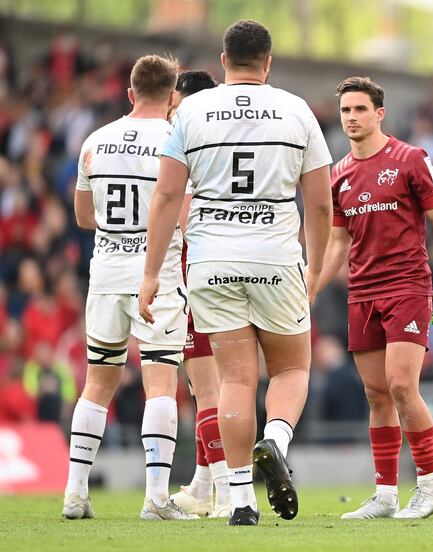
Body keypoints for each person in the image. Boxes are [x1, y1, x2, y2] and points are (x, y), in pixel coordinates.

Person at [138, 20, 333, 526]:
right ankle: (277, 438)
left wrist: (151, 274)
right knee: (291, 370)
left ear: (223, 61)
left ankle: (242, 501)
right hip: (274, 258)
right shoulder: (296, 111)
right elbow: (319, 205)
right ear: (268, 62)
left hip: (211, 261)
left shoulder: (193, 110)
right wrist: (312, 265)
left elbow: (165, 196)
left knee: (234, 380)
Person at [319, 76, 433, 519]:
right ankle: (384, 494)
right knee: (378, 395)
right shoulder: (338, 174)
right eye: (345, 111)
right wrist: (308, 289)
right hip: (362, 292)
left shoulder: (411, 159)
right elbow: (338, 245)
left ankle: (431, 485)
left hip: (407, 287)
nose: (352, 118)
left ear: (379, 113)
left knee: (402, 385)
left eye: (360, 109)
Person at [63, 54, 198, 521]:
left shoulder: (94, 141)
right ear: (173, 96)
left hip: (105, 273)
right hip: (155, 273)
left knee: (96, 383)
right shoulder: (175, 138)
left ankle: (75, 494)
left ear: (130, 93)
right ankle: (157, 499)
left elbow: (83, 217)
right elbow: (182, 216)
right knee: (160, 384)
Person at [163, 70, 232, 519]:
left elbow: (185, 218)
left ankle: (229, 493)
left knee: (207, 389)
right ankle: (203, 486)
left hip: (198, 274)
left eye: (175, 104)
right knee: (222, 386)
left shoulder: (187, 144)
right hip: (243, 268)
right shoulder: (227, 140)